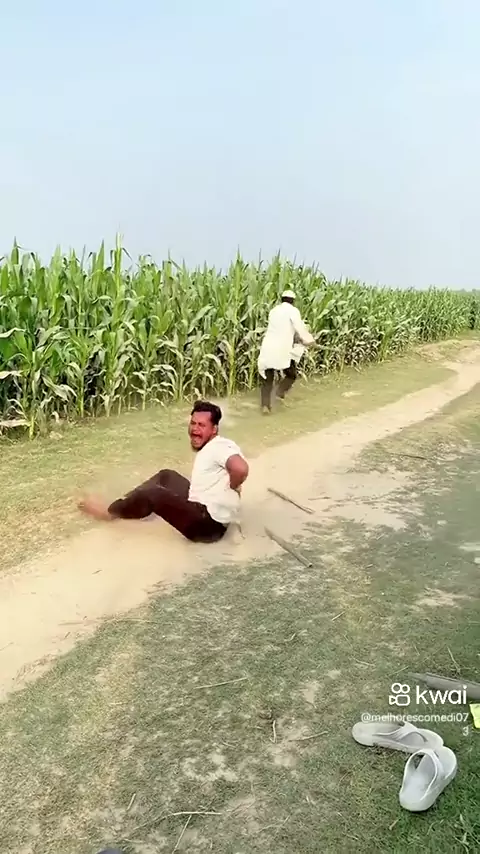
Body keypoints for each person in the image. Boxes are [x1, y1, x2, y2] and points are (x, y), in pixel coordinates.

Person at [78, 401, 249, 543]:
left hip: (207, 527)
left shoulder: (218, 447)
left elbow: (240, 469)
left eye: (202, 425)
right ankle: (125, 504)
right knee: (166, 476)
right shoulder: (218, 445)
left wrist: (233, 485)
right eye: (193, 423)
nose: (195, 429)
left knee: (153, 494)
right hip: (207, 512)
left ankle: (110, 513)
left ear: (214, 429)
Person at [257, 289, 315, 413]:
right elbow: (299, 328)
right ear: (293, 301)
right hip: (283, 349)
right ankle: (279, 393)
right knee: (291, 374)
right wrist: (309, 340)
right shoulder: (293, 311)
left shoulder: (273, 311)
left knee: (267, 378)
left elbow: (281, 328)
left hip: (268, 347)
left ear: (282, 299)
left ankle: (265, 406)